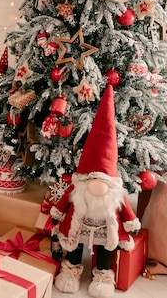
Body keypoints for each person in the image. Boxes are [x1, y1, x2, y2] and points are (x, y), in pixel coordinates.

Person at [50, 85, 140, 298]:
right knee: (73, 245)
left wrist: (131, 223)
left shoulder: (115, 193)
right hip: (78, 225)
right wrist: (57, 214)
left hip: (105, 228)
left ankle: (103, 273)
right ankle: (70, 270)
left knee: (108, 247)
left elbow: (126, 210)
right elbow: (63, 203)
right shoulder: (77, 187)